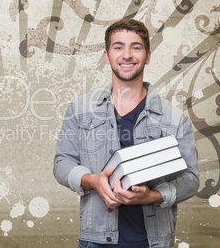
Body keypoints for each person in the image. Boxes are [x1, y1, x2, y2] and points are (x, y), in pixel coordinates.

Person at [53, 18, 199, 248]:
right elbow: (62, 163)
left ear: (148, 56)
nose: (127, 55)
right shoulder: (80, 110)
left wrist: (153, 196)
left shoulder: (175, 119)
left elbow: (191, 178)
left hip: (153, 242)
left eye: (136, 47)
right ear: (106, 55)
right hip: (96, 241)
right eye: (118, 47)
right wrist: (92, 181)